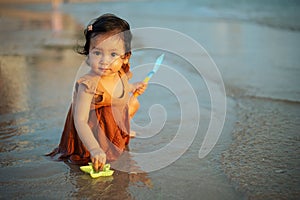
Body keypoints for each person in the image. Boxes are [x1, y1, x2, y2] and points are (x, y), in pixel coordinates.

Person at [47, 13, 147, 172]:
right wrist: (94, 148)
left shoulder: (119, 74)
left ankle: (120, 133)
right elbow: (80, 121)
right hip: (91, 128)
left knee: (133, 103)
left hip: (110, 122)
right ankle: (100, 148)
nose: (104, 60)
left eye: (113, 54)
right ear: (88, 53)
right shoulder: (89, 85)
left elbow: (117, 89)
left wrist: (132, 87)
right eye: (97, 53)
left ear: (125, 58)